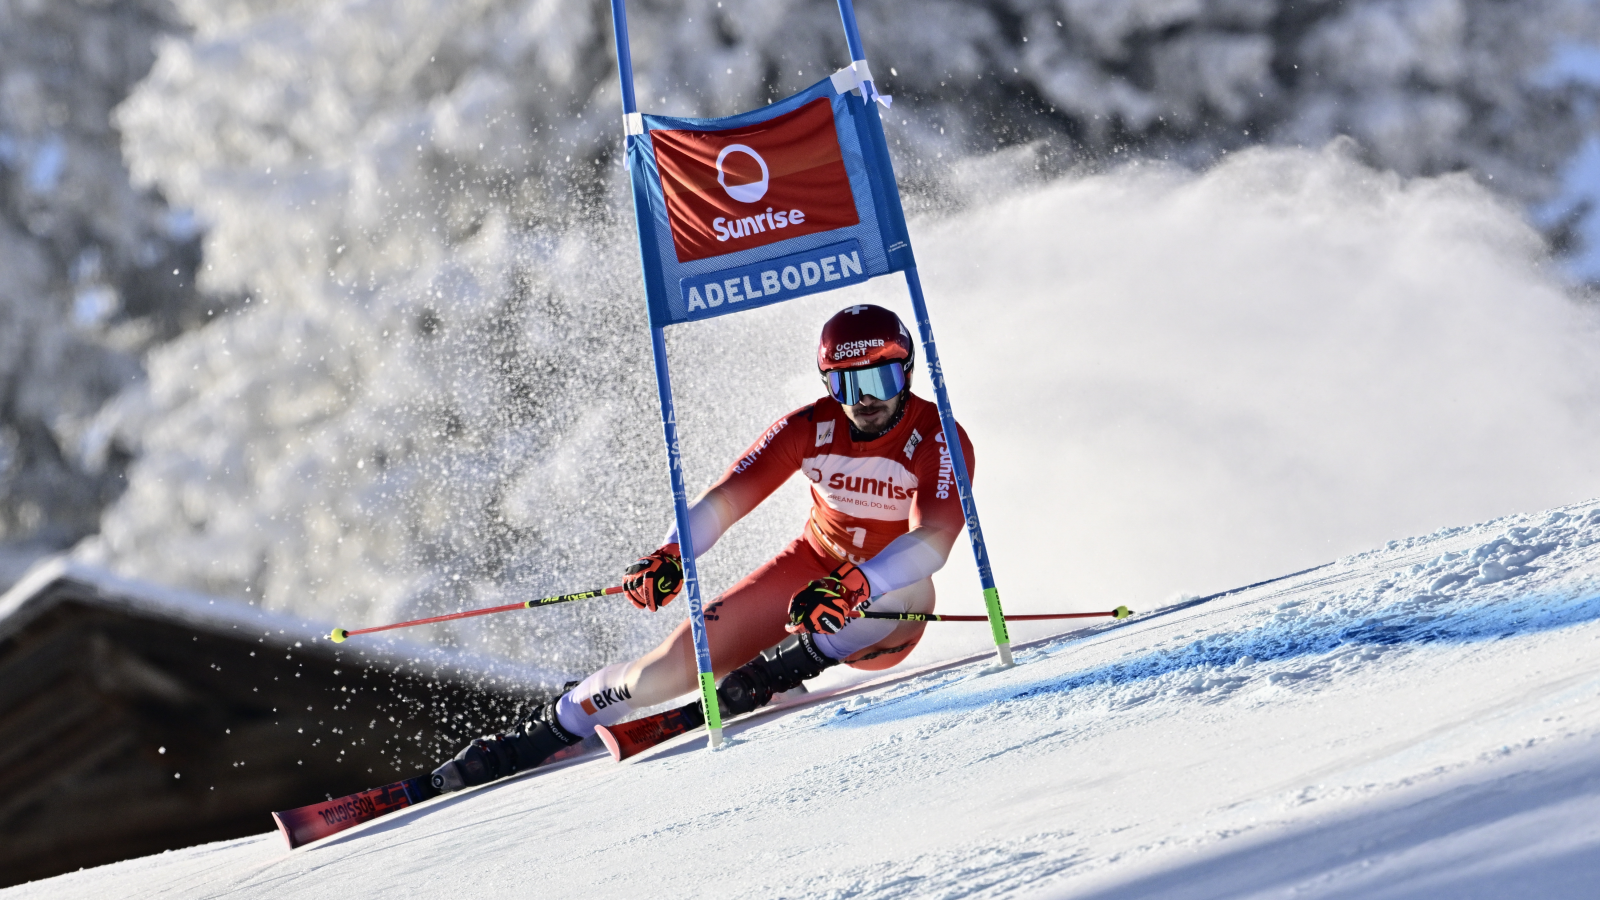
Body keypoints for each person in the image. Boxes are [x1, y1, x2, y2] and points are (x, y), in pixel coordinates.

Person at [431, 303, 976, 790]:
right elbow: (726, 500)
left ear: (906, 372)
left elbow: (933, 541)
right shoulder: (808, 427)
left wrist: (858, 581)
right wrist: (672, 553)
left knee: (902, 585)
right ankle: (548, 727)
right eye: (846, 386)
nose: (865, 401)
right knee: (660, 673)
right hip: (811, 571)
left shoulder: (937, 436)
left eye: (880, 379)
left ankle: (771, 675)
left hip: (886, 607)